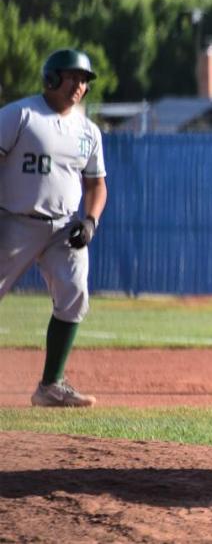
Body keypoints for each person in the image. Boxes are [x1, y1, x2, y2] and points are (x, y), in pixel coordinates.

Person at [0, 48, 108, 407]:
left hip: (64, 227)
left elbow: (96, 184)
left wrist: (90, 220)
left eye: (84, 80)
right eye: (73, 76)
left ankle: (50, 386)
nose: (79, 85)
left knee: (75, 293)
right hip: (14, 220)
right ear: (52, 77)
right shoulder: (20, 115)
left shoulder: (88, 130)